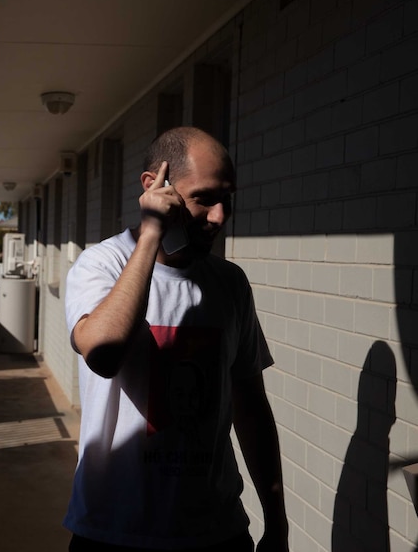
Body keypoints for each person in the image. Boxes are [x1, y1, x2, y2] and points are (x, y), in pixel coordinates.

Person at [64, 127, 288, 552]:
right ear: (155, 187)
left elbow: (251, 406)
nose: (220, 216)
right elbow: (104, 355)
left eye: (228, 198)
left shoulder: (230, 283)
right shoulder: (101, 265)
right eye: (204, 198)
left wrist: (276, 523)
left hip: (217, 532)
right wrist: (151, 234)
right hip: (113, 533)